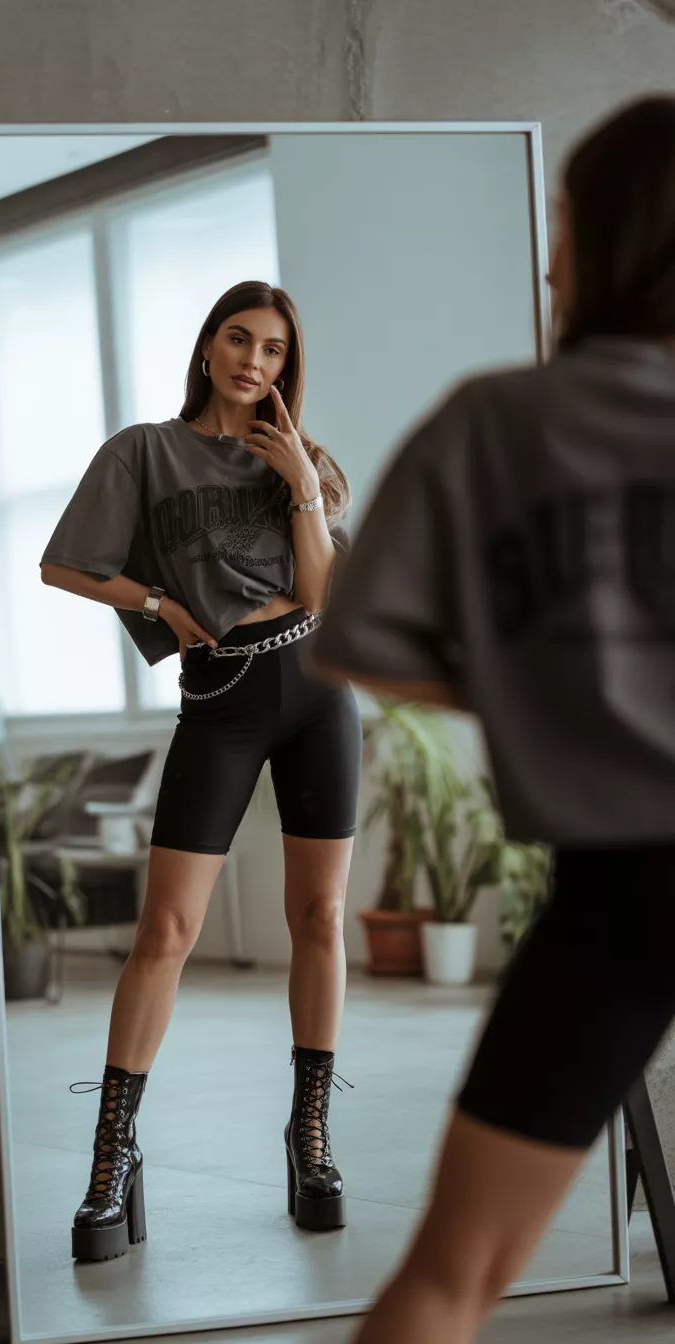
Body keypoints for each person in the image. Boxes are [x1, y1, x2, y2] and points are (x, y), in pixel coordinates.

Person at [311, 94, 675, 1344]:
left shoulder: (494, 425)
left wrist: (557, 685)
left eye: (565, 222)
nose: (551, 255)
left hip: (622, 896)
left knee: (449, 1280)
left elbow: (361, 646)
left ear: (619, 239)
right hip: (612, 894)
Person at [40, 280, 362, 1261]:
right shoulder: (144, 451)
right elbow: (63, 565)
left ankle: (309, 1142)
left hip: (316, 687)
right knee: (168, 930)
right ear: (209, 344)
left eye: (272, 350)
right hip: (219, 696)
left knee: (317, 918)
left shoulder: (304, 463)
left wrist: (302, 484)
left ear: (286, 368)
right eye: (238, 339)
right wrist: (163, 609)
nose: (252, 361)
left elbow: (320, 592)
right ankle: (113, 1160)